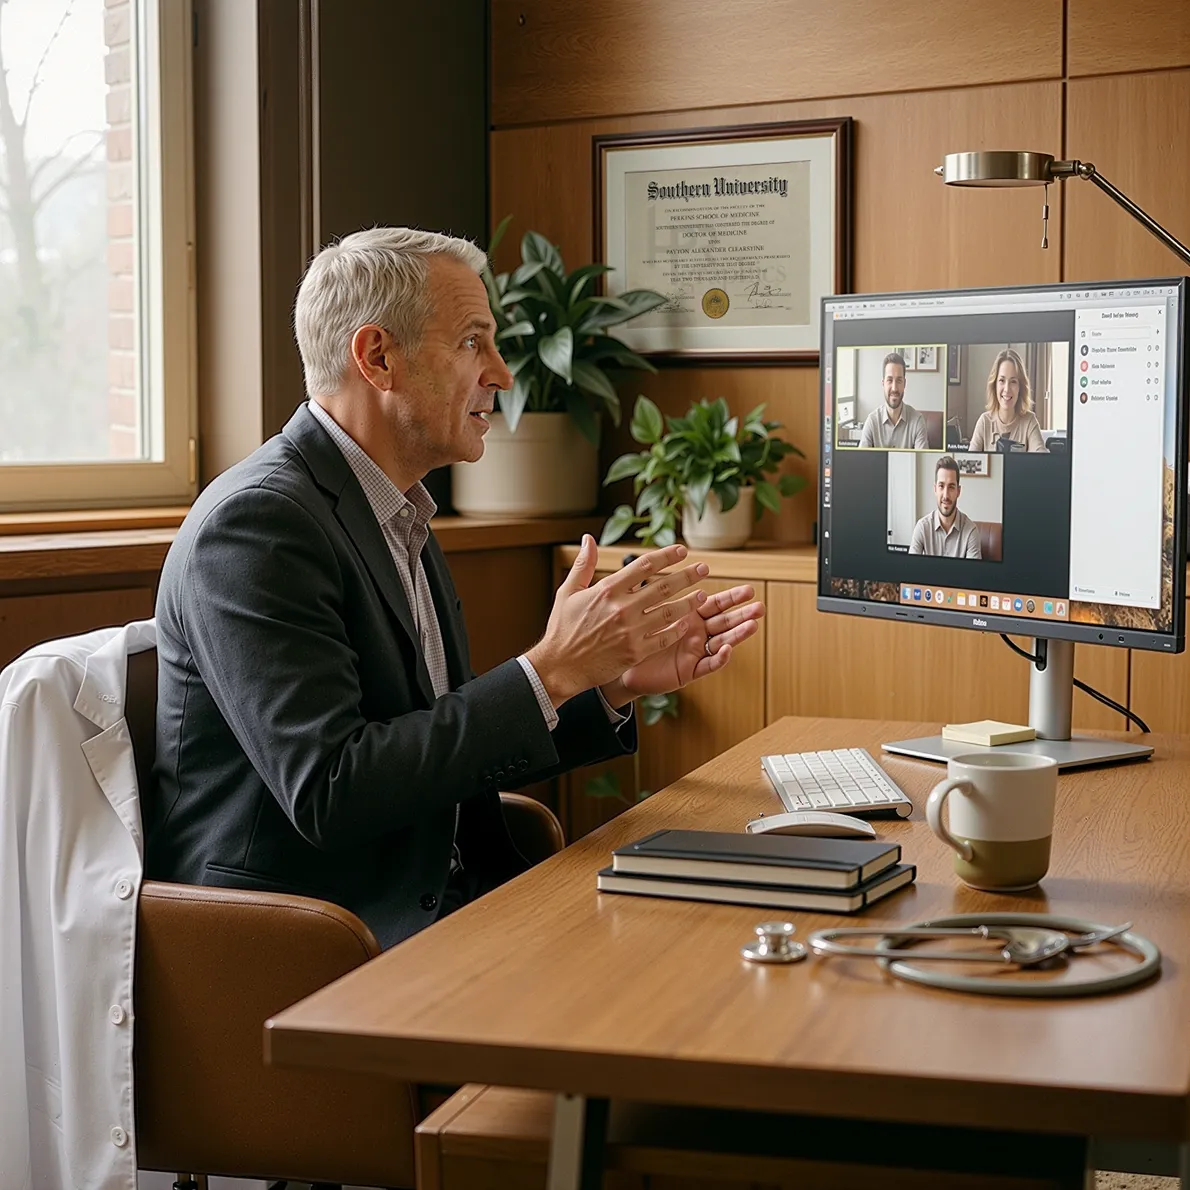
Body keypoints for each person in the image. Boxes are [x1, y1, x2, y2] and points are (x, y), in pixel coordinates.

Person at [147, 228, 765, 949]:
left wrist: (600, 684)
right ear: (378, 357)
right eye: (474, 342)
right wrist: (552, 669)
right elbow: (331, 790)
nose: (502, 374)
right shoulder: (256, 525)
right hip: (316, 940)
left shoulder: (394, 507)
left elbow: (433, 746)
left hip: (444, 902)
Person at [966, 348, 1047, 453]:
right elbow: (969, 464)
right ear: (994, 385)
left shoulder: (1029, 421)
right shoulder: (984, 422)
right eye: (1002, 380)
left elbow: (1042, 459)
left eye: (1013, 381)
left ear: (1020, 387)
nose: (1007, 389)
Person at [909, 455, 982, 558]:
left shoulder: (971, 531)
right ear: (935, 489)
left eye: (951, 487)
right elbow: (911, 570)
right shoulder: (922, 528)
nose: (946, 495)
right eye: (941, 486)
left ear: (958, 491)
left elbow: (972, 573)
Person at [858, 351, 929, 449]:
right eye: (890, 380)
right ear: (883, 383)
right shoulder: (872, 421)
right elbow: (861, 462)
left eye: (899, 380)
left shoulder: (917, 421)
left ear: (904, 384)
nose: (894, 388)